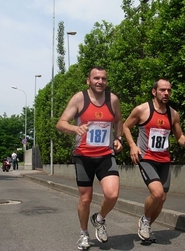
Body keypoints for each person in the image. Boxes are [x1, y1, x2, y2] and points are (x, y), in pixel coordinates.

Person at [56, 66, 123, 250]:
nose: (100, 81)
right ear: (88, 80)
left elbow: (118, 120)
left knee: (113, 194)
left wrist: (118, 138)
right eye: (96, 78)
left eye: (103, 79)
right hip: (83, 156)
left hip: (105, 155)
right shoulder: (80, 98)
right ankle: (83, 233)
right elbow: (61, 123)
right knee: (85, 199)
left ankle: (99, 219)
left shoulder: (113, 99)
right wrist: (75, 128)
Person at [122, 78, 185, 243]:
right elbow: (125, 126)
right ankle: (145, 220)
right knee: (157, 193)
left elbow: (179, 137)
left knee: (162, 198)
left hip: (164, 160)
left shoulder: (173, 114)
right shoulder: (142, 110)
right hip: (146, 158)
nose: (166, 93)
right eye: (163, 90)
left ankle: (146, 223)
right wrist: (132, 146)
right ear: (154, 92)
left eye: (169, 90)